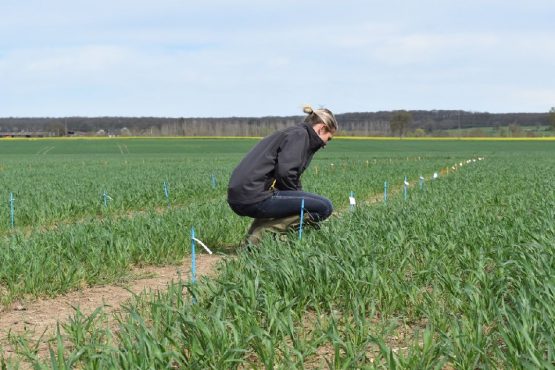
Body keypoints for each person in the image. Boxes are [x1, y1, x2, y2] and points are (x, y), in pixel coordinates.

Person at [227, 105, 338, 245]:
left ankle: (251, 240)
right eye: (328, 138)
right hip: (253, 196)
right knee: (324, 207)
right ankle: (260, 236)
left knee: (292, 198)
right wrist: (298, 199)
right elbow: (286, 173)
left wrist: (296, 197)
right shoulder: (300, 136)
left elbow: (285, 176)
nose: (325, 145)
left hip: (243, 194)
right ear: (321, 128)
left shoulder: (294, 133)